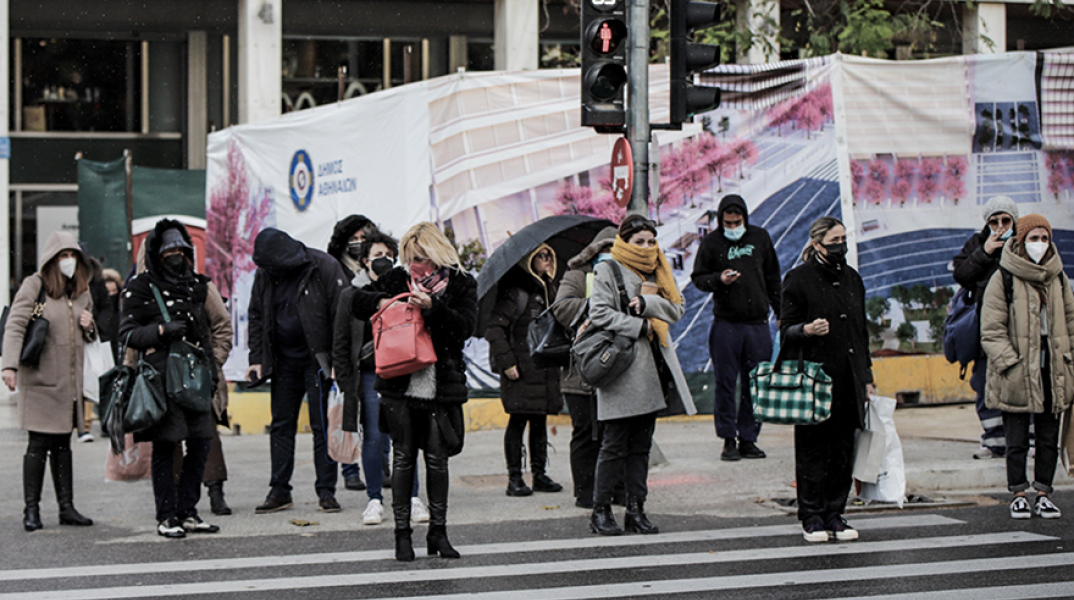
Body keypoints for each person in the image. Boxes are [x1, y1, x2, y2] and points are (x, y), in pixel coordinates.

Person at [349, 222, 477, 561]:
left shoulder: (461, 283)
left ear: (437, 254)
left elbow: (466, 327)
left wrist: (433, 308)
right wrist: (385, 300)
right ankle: (402, 534)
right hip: (399, 383)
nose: (415, 265)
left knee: (437, 460)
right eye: (410, 258)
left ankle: (438, 532)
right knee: (403, 459)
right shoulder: (397, 278)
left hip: (440, 387)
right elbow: (356, 302)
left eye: (421, 258)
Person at [588, 215, 694, 536]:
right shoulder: (607, 269)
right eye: (639, 242)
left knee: (641, 446)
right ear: (624, 241)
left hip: (652, 369)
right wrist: (641, 325)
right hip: (620, 367)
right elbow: (599, 313)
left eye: (651, 241)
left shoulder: (658, 269)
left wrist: (648, 302)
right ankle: (600, 511)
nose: (647, 247)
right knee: (613, 445)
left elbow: (677, 309)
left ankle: (636, 510)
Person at [119, 220, 222, 538]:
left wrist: (213, 371)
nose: (176, 255)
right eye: (169, 251)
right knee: (165, 446)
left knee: (202, 443)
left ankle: (188, 510)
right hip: (161, 379)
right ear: (156, 254)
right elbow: (127, 333)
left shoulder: (197, 285)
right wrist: (160, 331)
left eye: (180, 249)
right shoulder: (140, 287)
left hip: (195, 376)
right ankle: (166, 516)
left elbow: (209, 331)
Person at [780, 216, 874, 543]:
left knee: (844, 448)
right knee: (813, 448)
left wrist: (867, 376)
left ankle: (835, 512)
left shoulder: (852, 278)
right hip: (814, 377)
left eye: (843, 239)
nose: (840, 246)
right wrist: (806, 330)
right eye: (834, 241)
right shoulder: (798, 279)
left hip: (849, 376)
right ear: (817, 243)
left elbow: (861, 331)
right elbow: (785, 330)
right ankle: (811, 515)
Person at [247, 228, 347, 514]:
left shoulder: (323, 266)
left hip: (318, 362)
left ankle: (326, 491)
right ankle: (279, 490)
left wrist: (337, 360)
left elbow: (341, 315)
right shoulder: (265, 274)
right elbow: (256, 316)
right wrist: (257, 358)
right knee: (281, 425)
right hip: (282, 362)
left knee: (322, 426)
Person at [332, 230, 429, 525]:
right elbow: (341, 342)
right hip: (369, 374)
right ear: (365, 260)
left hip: (402, 370)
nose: (384, 260)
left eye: (388, 255)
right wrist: (345, 382)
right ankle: (374, 499)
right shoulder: (352, 295)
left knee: (405, 436)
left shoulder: (405, 290)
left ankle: (412, 497)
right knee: (374, 437)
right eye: (377, 255)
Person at [981, 214, 1073, 520]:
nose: (1039, 244)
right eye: (1033, 238)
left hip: (1052, 365)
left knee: (1048, 437)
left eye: (1044, 238)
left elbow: (1071, 322)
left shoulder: (1058, 277)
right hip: (1017, 368)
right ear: (1021, 241)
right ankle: (1018, 493)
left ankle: (1044, 493)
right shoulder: (1004, 277)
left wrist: (1069, 360)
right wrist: (1010, 362)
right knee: (1017, 438)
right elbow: (991, 329)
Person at [3, 231, 96, 532]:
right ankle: (31, 510)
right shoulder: (35, 285)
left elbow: (89, 336)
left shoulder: (81, 291)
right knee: (38, 445)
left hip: (69, 383)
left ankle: (66, 508)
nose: (69, 261)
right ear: (52, 259)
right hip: (40, 380)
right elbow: (16, 325)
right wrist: (9, 366)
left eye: (73, 256)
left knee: (63, 446)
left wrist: (90, 326)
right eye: (63, 256)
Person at [691, 194, 781, 461]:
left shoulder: (760, 238)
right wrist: (719, 279)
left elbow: (773, 277)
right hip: (726, 324)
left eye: (737, 222)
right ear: (720, 220)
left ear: (745, 218)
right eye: (727, 223)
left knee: (755, 383)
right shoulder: (711, 242)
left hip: (757, 324)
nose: (732, 227)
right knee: (726, 383)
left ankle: (749, 438)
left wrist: (781, 312)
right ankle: (728, 439)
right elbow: (699, 278)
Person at [486, 243, 564, 497]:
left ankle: (539, 475)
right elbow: (494, 329)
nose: (547, 260)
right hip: (520, 367)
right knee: (518, 420)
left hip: (544, 366)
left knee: (539, 420)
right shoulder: (516, 290)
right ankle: (515, 478)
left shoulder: (550, 288)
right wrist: (508, 363)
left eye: (550, 255)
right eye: (541, 256)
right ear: (528, 260)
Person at [553, 225, 618, 509]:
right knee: (585, 433)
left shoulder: (628, 276)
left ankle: (615, 488)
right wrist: (600, 304)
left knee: (614, 434)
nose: (610, 255)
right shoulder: (576, 275)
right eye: (605, 250)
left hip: (616, 369)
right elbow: (562, 308)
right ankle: (585, 491)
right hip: (579, 371)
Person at [953, 196, 1018, 459]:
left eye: (1005, 220)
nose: (1000, 227)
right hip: (985, 329)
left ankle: (1027, 440)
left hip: (1018, 328)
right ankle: (994, 440)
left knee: (1023, 382)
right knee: (984, 383)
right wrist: (985, 252)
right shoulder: (977, 243)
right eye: (994, 221)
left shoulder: (1025, 241)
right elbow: (961, 274)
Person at [327, 214, 376, 492]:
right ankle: (350, 468)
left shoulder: (375, 268)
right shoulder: (336, 270)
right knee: (348, 411)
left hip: (370, 352)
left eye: (362, 238)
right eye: (353, 239)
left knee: (374, 418)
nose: (358, 243)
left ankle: (379, 468)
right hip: (347, 349)